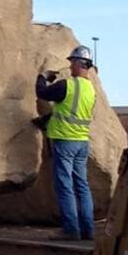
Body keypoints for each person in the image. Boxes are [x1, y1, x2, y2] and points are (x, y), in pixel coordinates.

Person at [35, 45, 96, 241]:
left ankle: (71, 230)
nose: (70, 67)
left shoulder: (66, 86)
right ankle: (88, 230)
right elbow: (71, 110)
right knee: (82, 186)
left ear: (79, 63)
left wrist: (42, 77)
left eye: (72, 63)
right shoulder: (90, 90)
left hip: (65, 141)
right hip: (82, 142)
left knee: (64, 186)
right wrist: (46, 120)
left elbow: (42, 93)